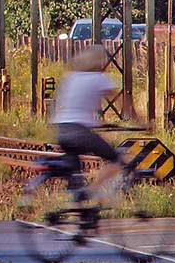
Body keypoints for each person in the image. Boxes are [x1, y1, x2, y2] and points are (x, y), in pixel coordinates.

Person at [49, 45, 130, 195]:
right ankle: (92, 191)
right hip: (80, 132)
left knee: (75, 170)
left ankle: (76, 205)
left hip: (62, 130)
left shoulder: (71, 77)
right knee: (116, 158)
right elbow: (122, 102)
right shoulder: (98, 78)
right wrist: (138, 121)